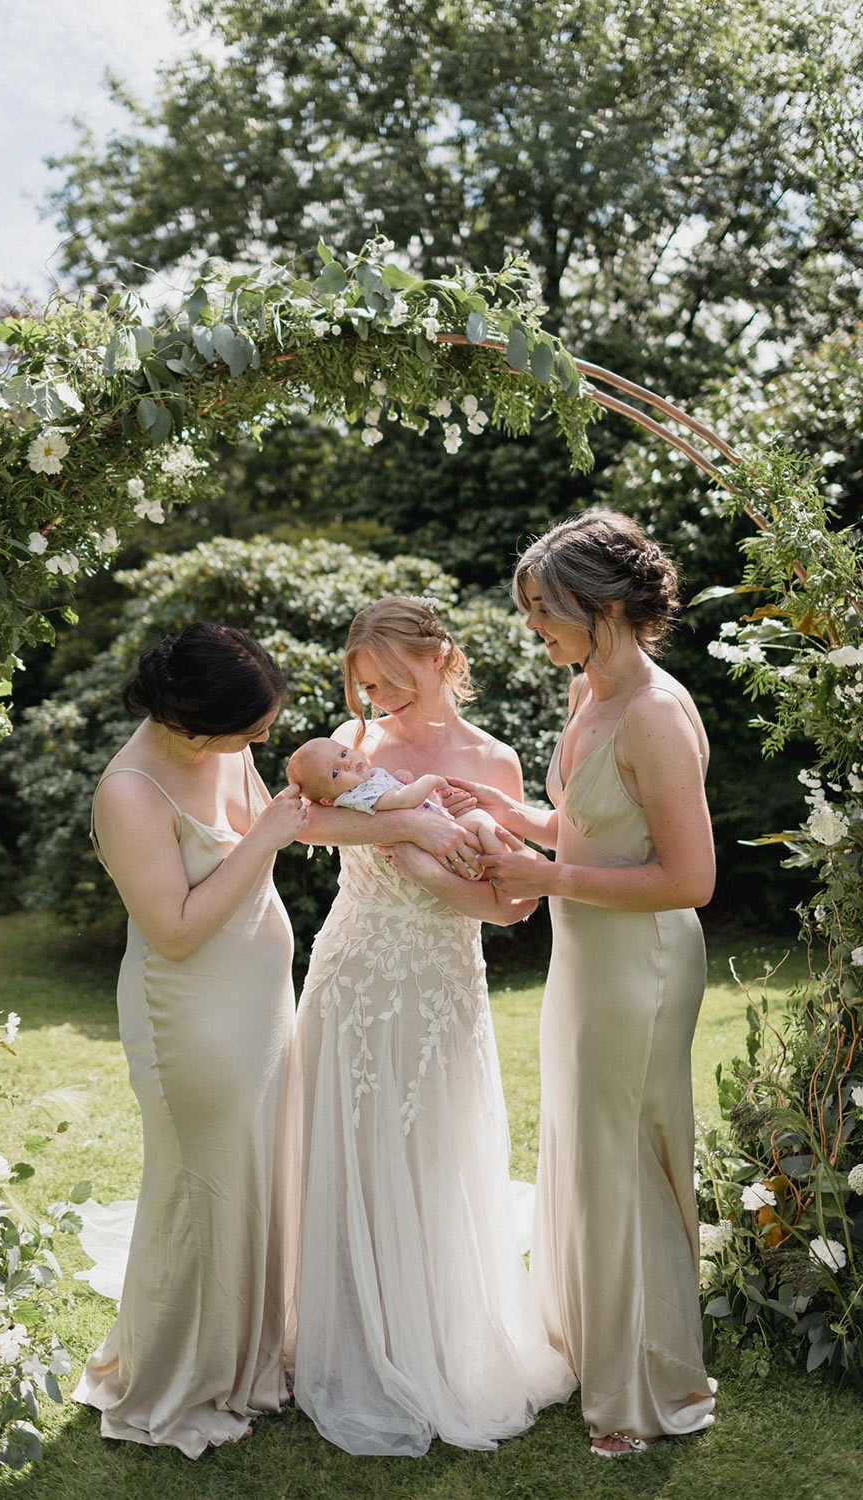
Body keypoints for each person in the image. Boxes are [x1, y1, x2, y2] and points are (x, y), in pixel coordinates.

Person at [455, 511, 718, 1458]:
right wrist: (510, 815)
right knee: (585, 1148)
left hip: (641, 963)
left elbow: (691, 878)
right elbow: (587, 826)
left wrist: (548, 875)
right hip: (586, 959)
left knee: (622, 1161)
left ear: (604, 607)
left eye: (544, 611)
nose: (534, 628)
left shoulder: (655, 714)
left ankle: (645, 1389)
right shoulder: (586, 691)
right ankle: (594, 1344)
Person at [287, 597, 576, 1457]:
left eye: (392, 678)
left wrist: (440, 864)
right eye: (366, 685)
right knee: (351, 1148)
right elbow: (300, 822)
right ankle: (350, 1338)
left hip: (441, 983)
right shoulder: (353, 745)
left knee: (431, 1148)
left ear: (441, 655)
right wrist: (406, 824)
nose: (380, 698)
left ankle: (436, 1339)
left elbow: (508, 901)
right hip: (351, 971)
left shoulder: (494, 760)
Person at [72, 623, 308, 1459]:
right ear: (193, 723)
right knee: (202, 1191)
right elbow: (173, 931)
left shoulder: (220, 749)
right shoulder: (129, 792)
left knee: (255, 1175)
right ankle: (180, 1380)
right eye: (251, 731)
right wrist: (268, 835)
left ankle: (248, 1357)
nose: (263, 742)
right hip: (191, 1020)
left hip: (259, 1005)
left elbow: (280, 824)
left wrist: (415, 822)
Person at [285, 734, 508, 873]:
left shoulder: (368, 782)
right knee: (480, 820)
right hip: (439, 854)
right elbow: (402, 800)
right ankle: (504, 866)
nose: (346, 763)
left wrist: (400, 779)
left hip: (444, 842)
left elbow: (395, 794)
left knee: (479, 825)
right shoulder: (357, 796)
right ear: (328, 800)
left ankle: (502, 866)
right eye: (335, 772)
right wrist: (429, 781)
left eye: (343, 753)